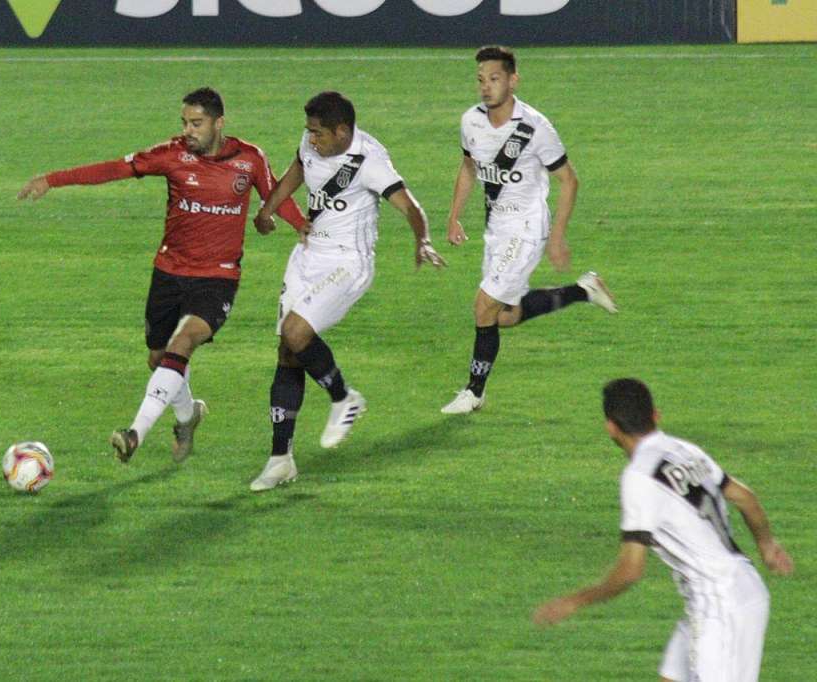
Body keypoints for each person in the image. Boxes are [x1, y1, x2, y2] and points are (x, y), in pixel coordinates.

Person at [18, 87, 307, 464]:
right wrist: (53, 180)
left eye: (197, 123)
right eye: (185, 123)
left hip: (217, 277)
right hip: (169, 273)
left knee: (183, 343)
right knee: (159, 358)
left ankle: (134, 433)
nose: (189, 130)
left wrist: (304, 227)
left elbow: (275, 195)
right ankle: (188, 417)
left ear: (220, 123)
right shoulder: (171, 155)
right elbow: (115, 169)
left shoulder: (249, 159)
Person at [533, 378, 794, 682]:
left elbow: (630, 571)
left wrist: (574, 601)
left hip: (722, 604)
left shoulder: (639, 477)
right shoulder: (684, 449)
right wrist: (767, 545)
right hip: (720, 593)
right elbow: (744, 497)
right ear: (655, 415)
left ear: (611, 428)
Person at [249, 91, 445, 492]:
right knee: (288, 352)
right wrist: (269, 208)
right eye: (309, 132)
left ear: (342, 132)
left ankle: (344, 397)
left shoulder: (370, 160)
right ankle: (280, 459)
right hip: (308, 254)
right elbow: (297, 170)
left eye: (319, 133)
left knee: (296, 332)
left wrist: (422, 240)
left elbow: (410, 207)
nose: (312, 139)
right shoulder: (312, 143)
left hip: (347, 263)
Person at [441, 45, 618, 415]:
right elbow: (469, 166)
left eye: (494, 79)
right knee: (503, 315)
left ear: (512, 80)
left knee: (483, 305)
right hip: (496, 229)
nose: (485, 87)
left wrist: (556, 236)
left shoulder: (534, 127)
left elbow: (569, 180)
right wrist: (454, 215)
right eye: (480, 80)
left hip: (526, 228)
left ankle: (474, 392)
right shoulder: (470, 121)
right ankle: (582, 291)